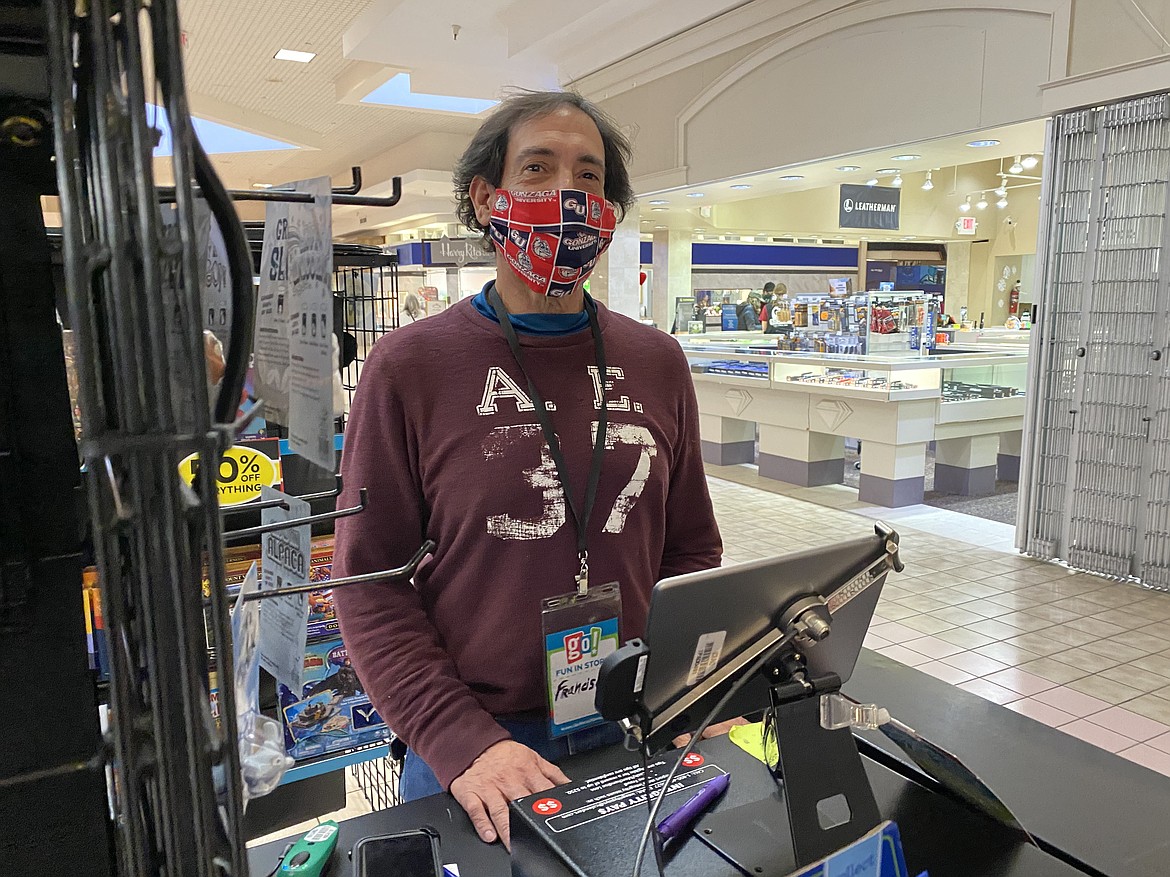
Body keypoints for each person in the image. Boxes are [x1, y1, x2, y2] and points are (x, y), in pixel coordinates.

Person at [332, 90, 723, 851]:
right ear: (487, 197)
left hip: (634, 726)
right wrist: (461, 740)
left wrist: (692, 687)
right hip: (480, 745)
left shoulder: (657, 361)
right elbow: (368, 581)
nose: (567, 196)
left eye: (588, 176)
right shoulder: (410, 367)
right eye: (538, 169)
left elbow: (690, 553)